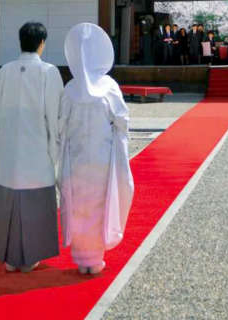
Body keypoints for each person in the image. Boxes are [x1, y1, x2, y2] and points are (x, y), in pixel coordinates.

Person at [0, 21, 63, 273]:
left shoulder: (5, 71)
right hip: (37, 146)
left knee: (9, 195)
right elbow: (55, 114)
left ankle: (9, 257)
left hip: (10, 147)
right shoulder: (48, 72)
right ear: (41, 43)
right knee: (36, 198)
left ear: (21, 42)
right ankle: (31, 256)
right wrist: (57, 150)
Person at [59, 22, 134, 275]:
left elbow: (62, 124)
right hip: (102, 156)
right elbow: (122, 119)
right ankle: (96, 257)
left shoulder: (71, 88)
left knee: (79, 204)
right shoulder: (109, 86)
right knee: (101, 203)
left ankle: (82, 257)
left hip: (77, 157)